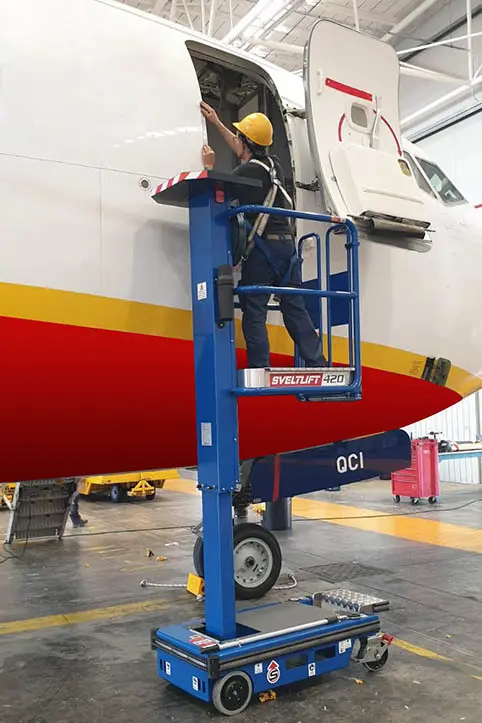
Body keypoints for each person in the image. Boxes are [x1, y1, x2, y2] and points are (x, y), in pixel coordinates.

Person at [200, 101, 325, 369]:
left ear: (246, 142)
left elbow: (218, 194)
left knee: (254, 311)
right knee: (295, 309)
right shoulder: (273, 166)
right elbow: (241, 148)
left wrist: (209, 168)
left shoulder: (247, 172)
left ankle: (260, 367)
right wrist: (217, 123)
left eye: (240, 137)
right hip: (287, 250)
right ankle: (317, 362)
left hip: (263, 251)